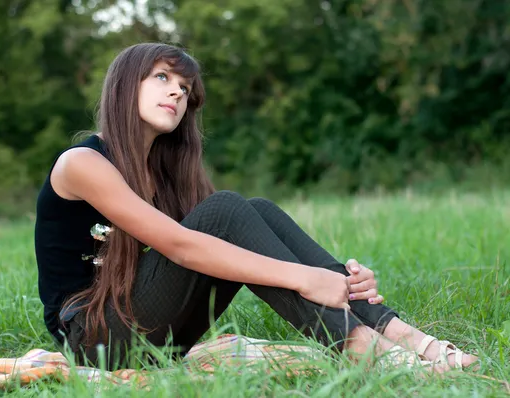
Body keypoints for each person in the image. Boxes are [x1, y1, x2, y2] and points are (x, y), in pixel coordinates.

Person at [34, 43, 478, 372]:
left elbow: (222, 243)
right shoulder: (83, 163)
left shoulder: (165, 173)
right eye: (162, 78)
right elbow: (181, 246)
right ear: (125, 85)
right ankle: (361, 345)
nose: (177, 94)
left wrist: (341, 280)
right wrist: (307, 278)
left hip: (152, 333)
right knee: (225, 210)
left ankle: (392, 330)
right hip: (93, 341)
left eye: (185, 88)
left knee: (257, 209)